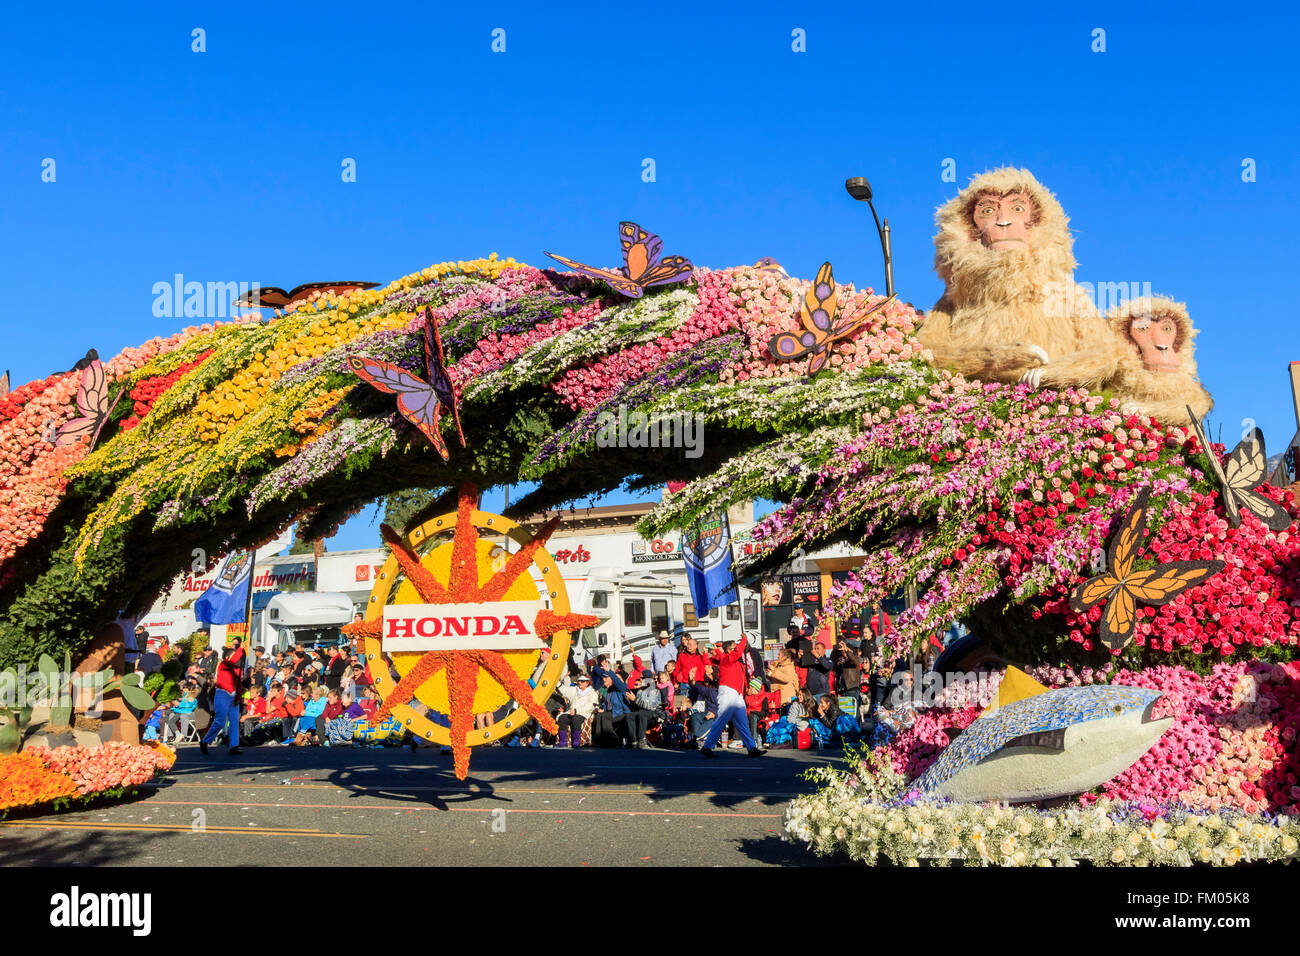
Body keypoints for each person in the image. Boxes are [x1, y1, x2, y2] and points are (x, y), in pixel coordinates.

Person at [699, 636, 764, 758]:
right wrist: (744, 639)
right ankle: (707, 746)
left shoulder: (732, 660)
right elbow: (709, 661)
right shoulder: (727, 659)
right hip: (728, 692)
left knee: (743, 722)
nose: (737, 649)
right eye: (734, 648)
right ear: (728, 650)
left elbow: (710, 659)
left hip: (736, 694)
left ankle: (752, 748)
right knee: (721, 720)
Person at [200, 638, 247, 756]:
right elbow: (236, 659)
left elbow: (239, 678)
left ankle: (234, 746)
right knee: (220, 722)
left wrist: (243, 654)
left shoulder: (235, 669)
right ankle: (205, 741)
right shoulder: (224, 665)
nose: (236, 658)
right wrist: (241, 648)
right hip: (223, 695)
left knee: (234, 721)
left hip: (233, 696)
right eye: (233, 655)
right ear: (227, 657)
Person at [557, 673, 598, 747]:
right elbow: (564, 690)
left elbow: (590, 706)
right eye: (579, 681)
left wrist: (576, 711)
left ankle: (576, 741)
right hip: (571, 712)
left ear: (587, 682)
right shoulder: (575, 690)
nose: (580, 683)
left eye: (582, 681)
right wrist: (557, 683)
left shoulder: (592, 693)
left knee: (576, 719)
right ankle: (563, 741)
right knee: (562, 718)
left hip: (584, 713)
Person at [832, 637, 862, 718]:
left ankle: (856, 727)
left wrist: (847, 651)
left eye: (846, 650)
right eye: (843, 651)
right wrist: (836, 650)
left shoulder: (855, 659)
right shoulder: (842, 660)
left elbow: (855, 661)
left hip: (852, 688)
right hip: (842, 689)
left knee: (853, 712)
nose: (844, 652)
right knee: (844, 712)